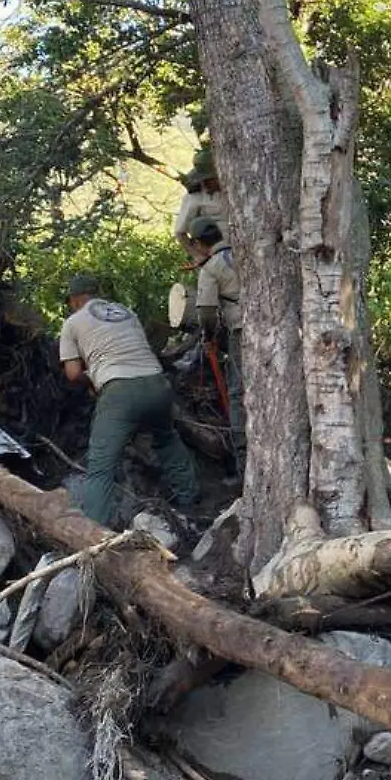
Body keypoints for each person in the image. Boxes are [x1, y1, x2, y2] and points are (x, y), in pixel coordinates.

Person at [58, 275, 202, 527]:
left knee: (101, 466)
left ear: (75, 299)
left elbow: (71, 373)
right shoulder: (125, 313)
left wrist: (92, 380)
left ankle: (93, 532)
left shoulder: (73, 323)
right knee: (166, 438)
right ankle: (190, 500)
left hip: (120, 391)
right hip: (157, 383)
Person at [189, 218, 245, 458]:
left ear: (200, 243)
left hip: (241, 330)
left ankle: (243, 458)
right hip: (271, 325)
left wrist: (209, 336)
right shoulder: (243, 252)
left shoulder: (211, 268)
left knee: (237, 393)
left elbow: (206, 311)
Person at [173, 154, 225, 260]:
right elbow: (180, 232)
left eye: (209, 179)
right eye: (202, 180)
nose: (205, 184)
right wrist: (200, 257)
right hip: (218, 255)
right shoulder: (196, 197)